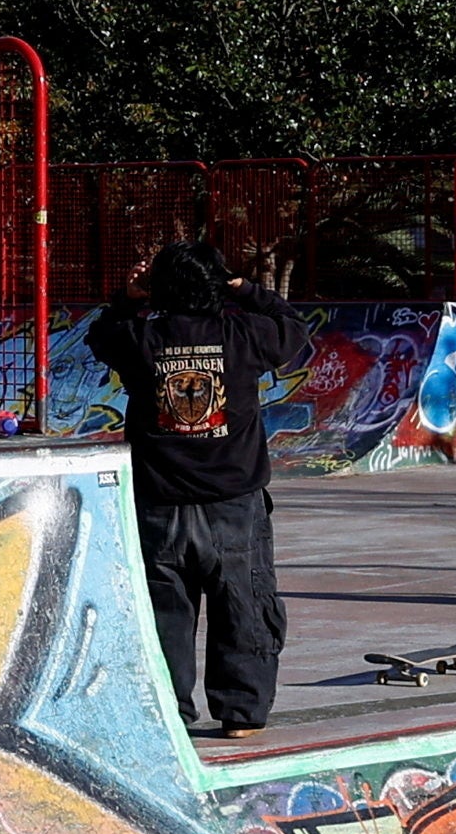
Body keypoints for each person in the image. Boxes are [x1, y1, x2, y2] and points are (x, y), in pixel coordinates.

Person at [84, 234, 302, 737]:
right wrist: (244, 287)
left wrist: (131, 297)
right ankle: (241, 711)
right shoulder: (245, 333)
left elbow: (101, 335)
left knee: (167, 615)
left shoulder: (141, 338)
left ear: (160, 290)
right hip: (233, 502)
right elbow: (293, 327)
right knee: (243, 604)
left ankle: (170, 711)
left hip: (159, 503)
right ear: (217, 287)